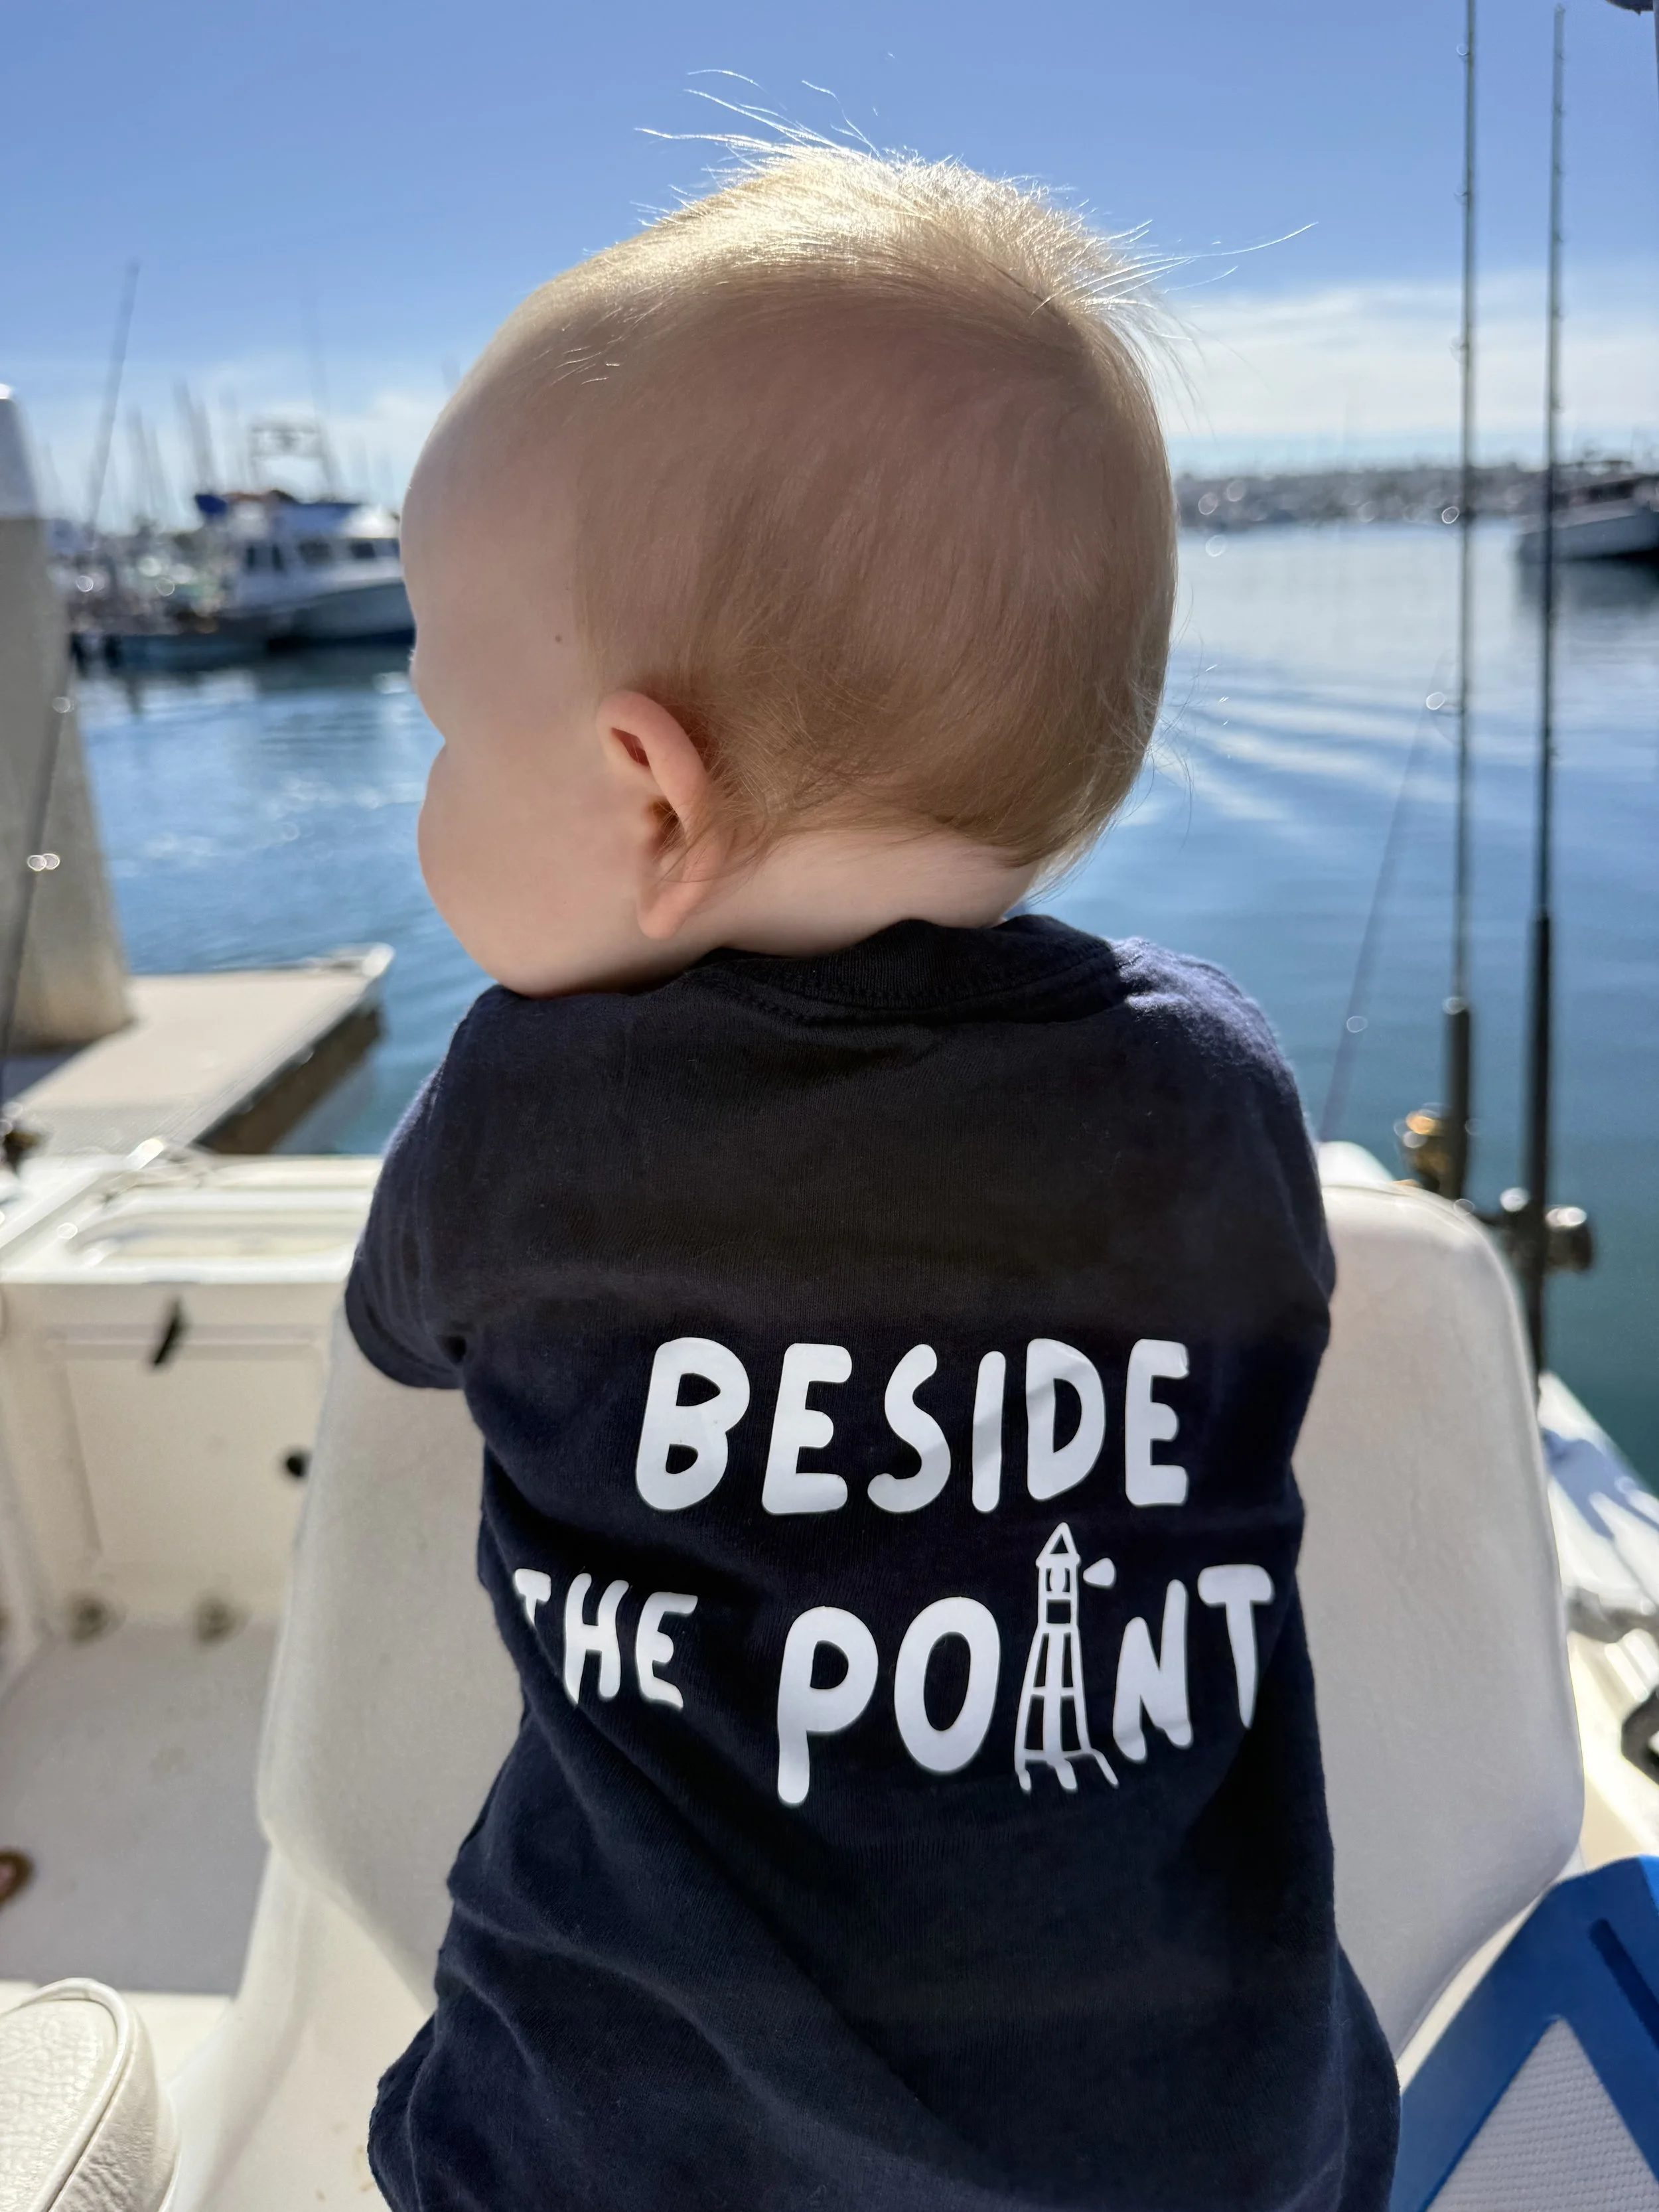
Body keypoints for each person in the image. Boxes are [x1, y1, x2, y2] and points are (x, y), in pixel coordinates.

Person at [345, 145, 1399, 2211]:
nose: (434, 792)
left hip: (636, 2157)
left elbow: (404, 1337)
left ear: (649, 795)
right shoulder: (1216, 1091)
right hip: (1213, 2152)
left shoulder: (526, 1118)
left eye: (448, 729)